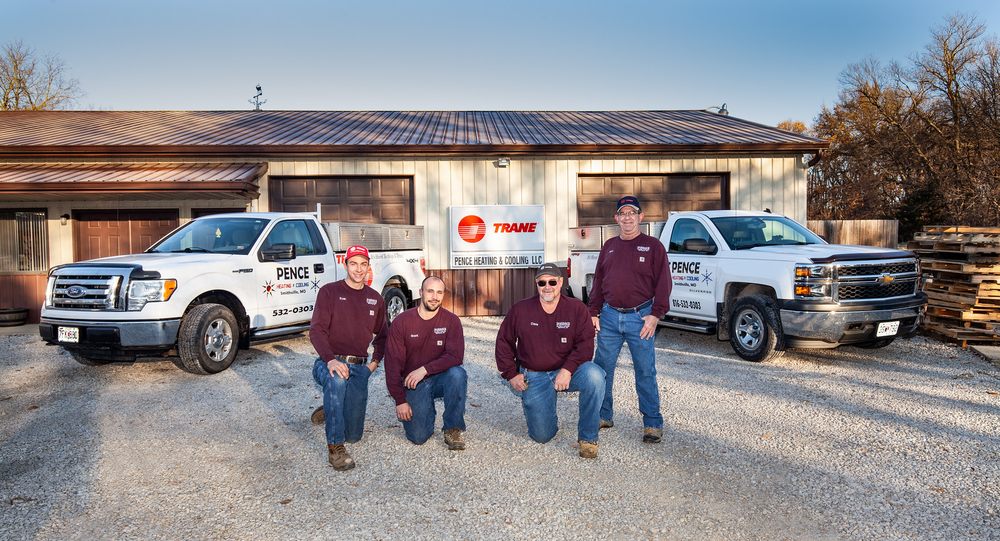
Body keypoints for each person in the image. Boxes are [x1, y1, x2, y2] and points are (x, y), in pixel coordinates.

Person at [495, 262, 606, 459]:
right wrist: (511, 373)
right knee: (541, 436)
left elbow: (586, 345)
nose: (547, 286)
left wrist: (568, 370)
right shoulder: (521, 310)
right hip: (535, 375)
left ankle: (588, 437)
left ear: (560, 282)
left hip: (567, 372)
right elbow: (504, 342)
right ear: (536, 284)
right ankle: (547, 412)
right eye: (542, 282)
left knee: (595, 376)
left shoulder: (576, 308)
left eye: (552, 281)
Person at [589, 195, 670, 443]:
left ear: (640, 217)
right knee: (602, 370)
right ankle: (604, 415)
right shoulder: (609, 246)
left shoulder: (653, 246)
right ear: (616, 218)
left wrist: (655, 315)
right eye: (622, 213)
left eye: (632, 213)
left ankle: (652, 423)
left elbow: (664, 283)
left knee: (645, 371)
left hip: (641, 317)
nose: (627, 217)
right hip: (610, 317)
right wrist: (593, 311)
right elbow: (599, 280)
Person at [309, 245, 388, 470]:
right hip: (330, 362)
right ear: (346, 265)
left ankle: (333, 405)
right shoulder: (329, 292)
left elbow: (383, 336)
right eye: (353, 263)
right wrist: (330, 360)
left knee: (354, 435)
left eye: (363, 264)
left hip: (359, 368)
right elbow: (317, 331)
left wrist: (373, 364)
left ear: (368, 267)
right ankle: (335, 448)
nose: (358, 269)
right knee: (336, 380)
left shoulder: (375, 299)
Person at [384, 276, 468, 450]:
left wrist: (424, 369)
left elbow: (455, 356)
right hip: (413, 383)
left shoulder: (451, 321)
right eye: (430, 291)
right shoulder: (402, 322)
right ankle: (425, 409)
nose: (434, 297)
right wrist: (400, 400)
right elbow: (392, 365)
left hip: (440, 378)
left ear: (444, 295)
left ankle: (452, 427)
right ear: (421, 292)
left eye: (439, 292)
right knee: (419, 437)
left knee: (458, 374)